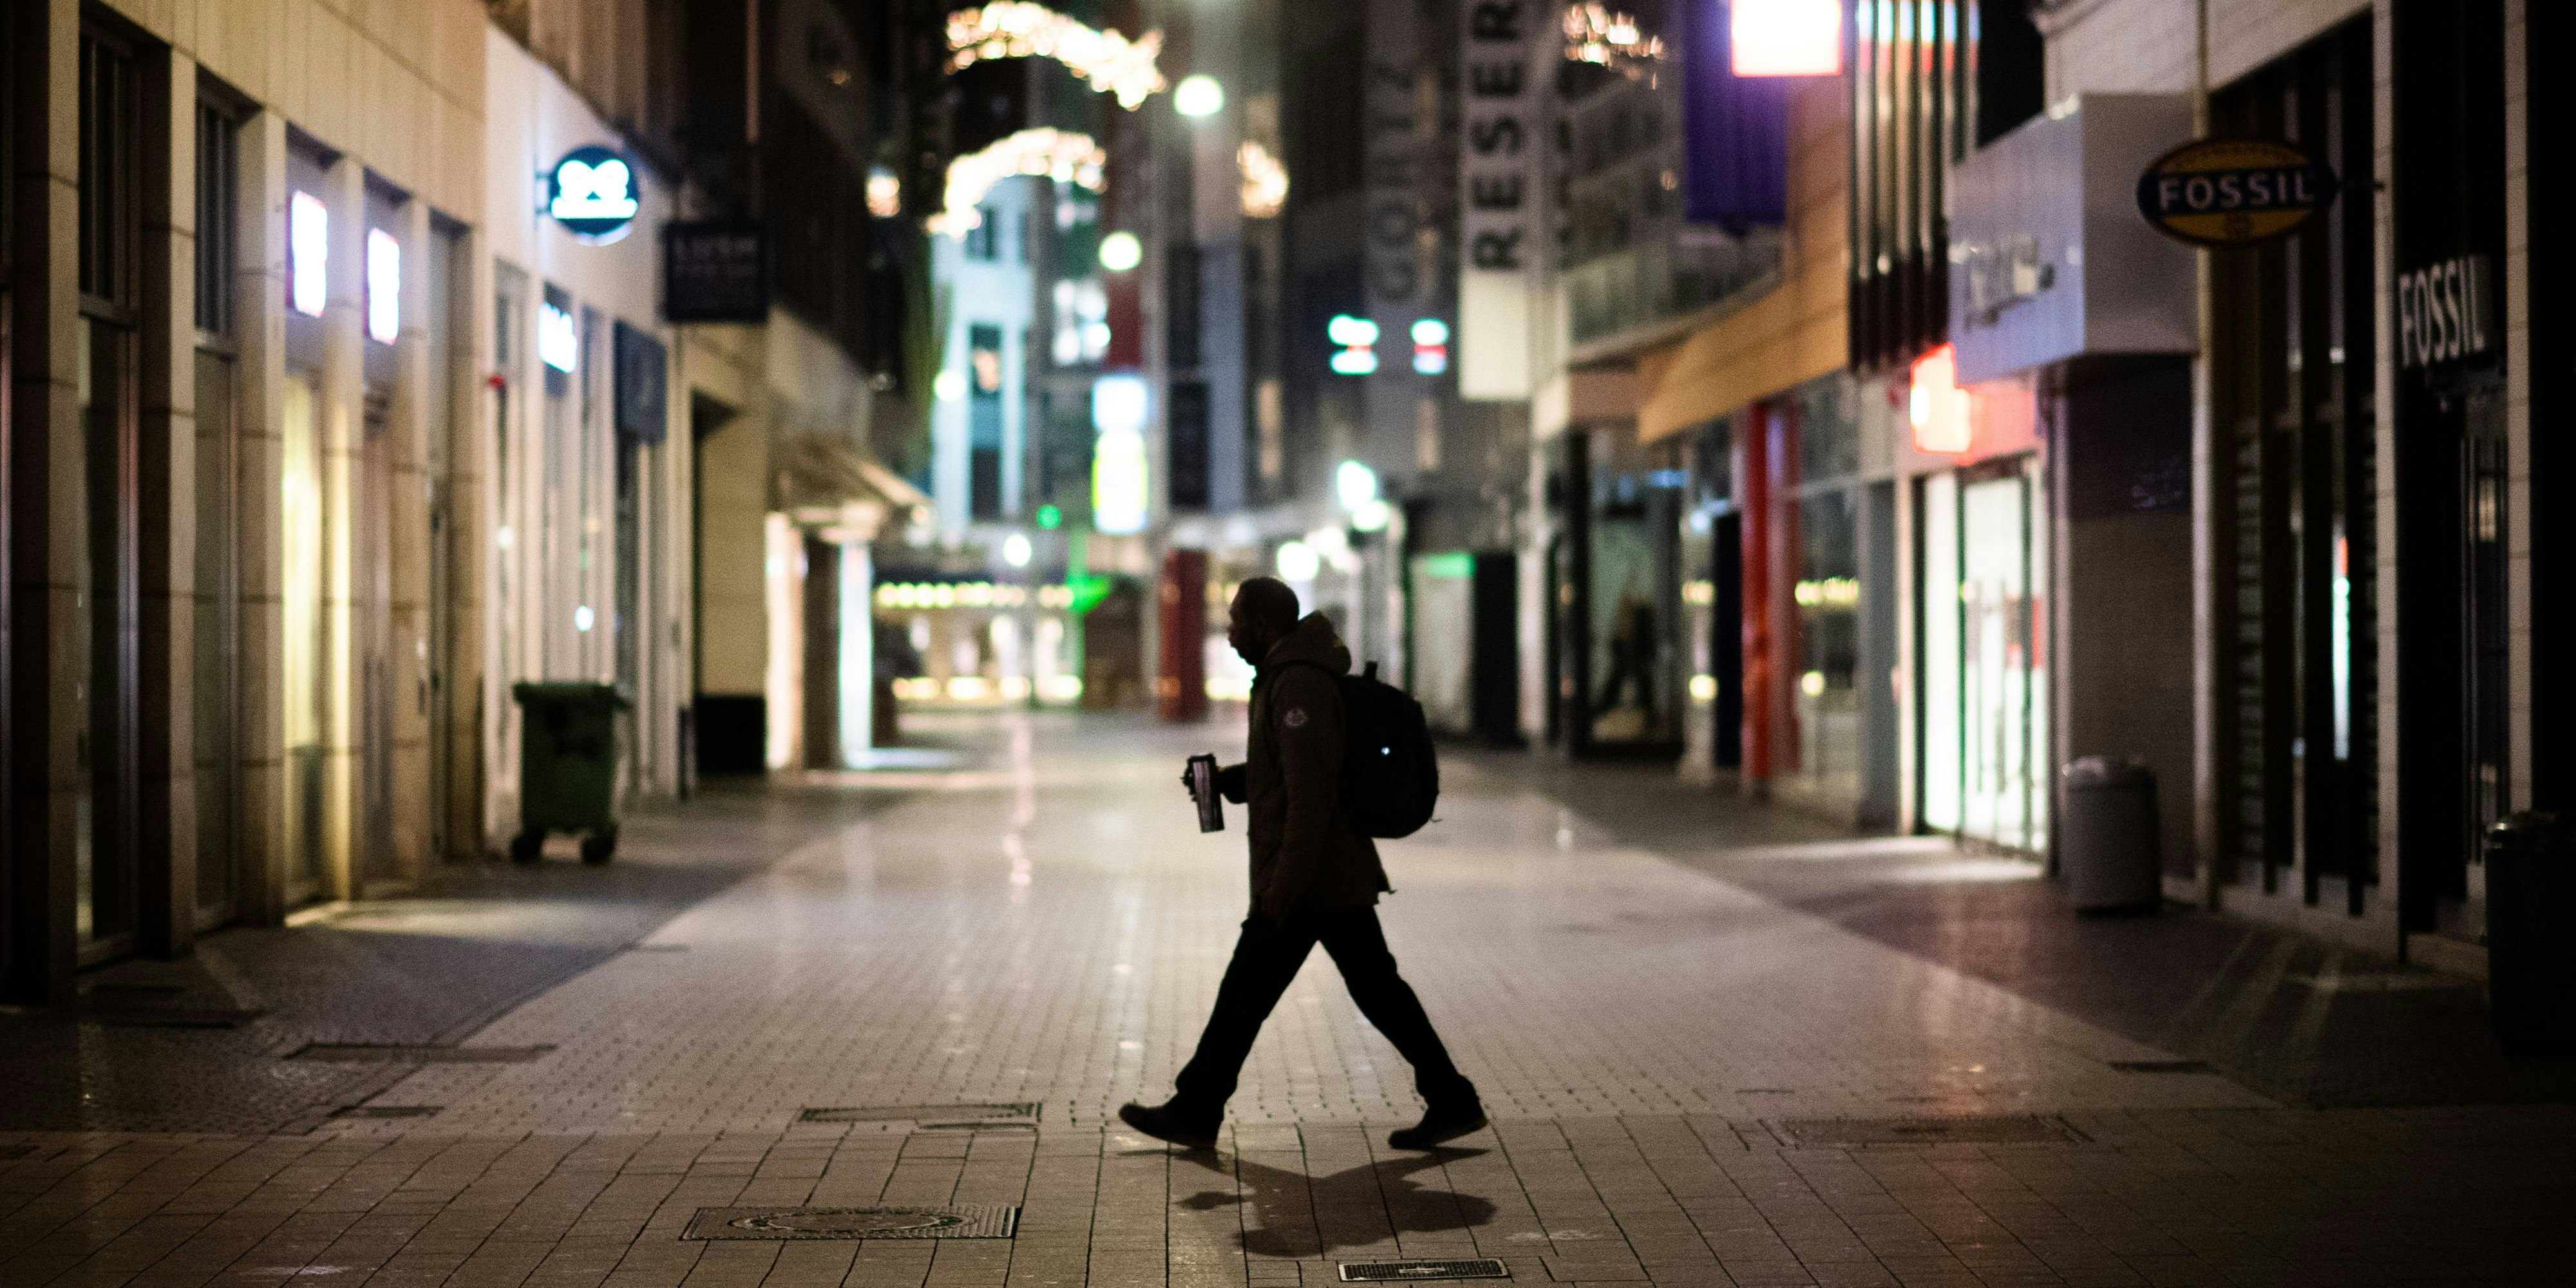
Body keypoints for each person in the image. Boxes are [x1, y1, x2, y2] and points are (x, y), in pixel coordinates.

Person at [1120, 578, 1484, 1152]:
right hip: (1325, 875)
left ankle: (1196, 1107)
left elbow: (1312, 795)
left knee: (1248, 994)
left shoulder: (1297, 687)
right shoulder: (1285, 678)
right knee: (1370, 989)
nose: (1231, 631)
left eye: (1238, 620)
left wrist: (1282, 885)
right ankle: (1451, 1097)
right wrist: (1232, 783)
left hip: (1314, 877)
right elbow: (1289, 776)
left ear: (1264, 625)